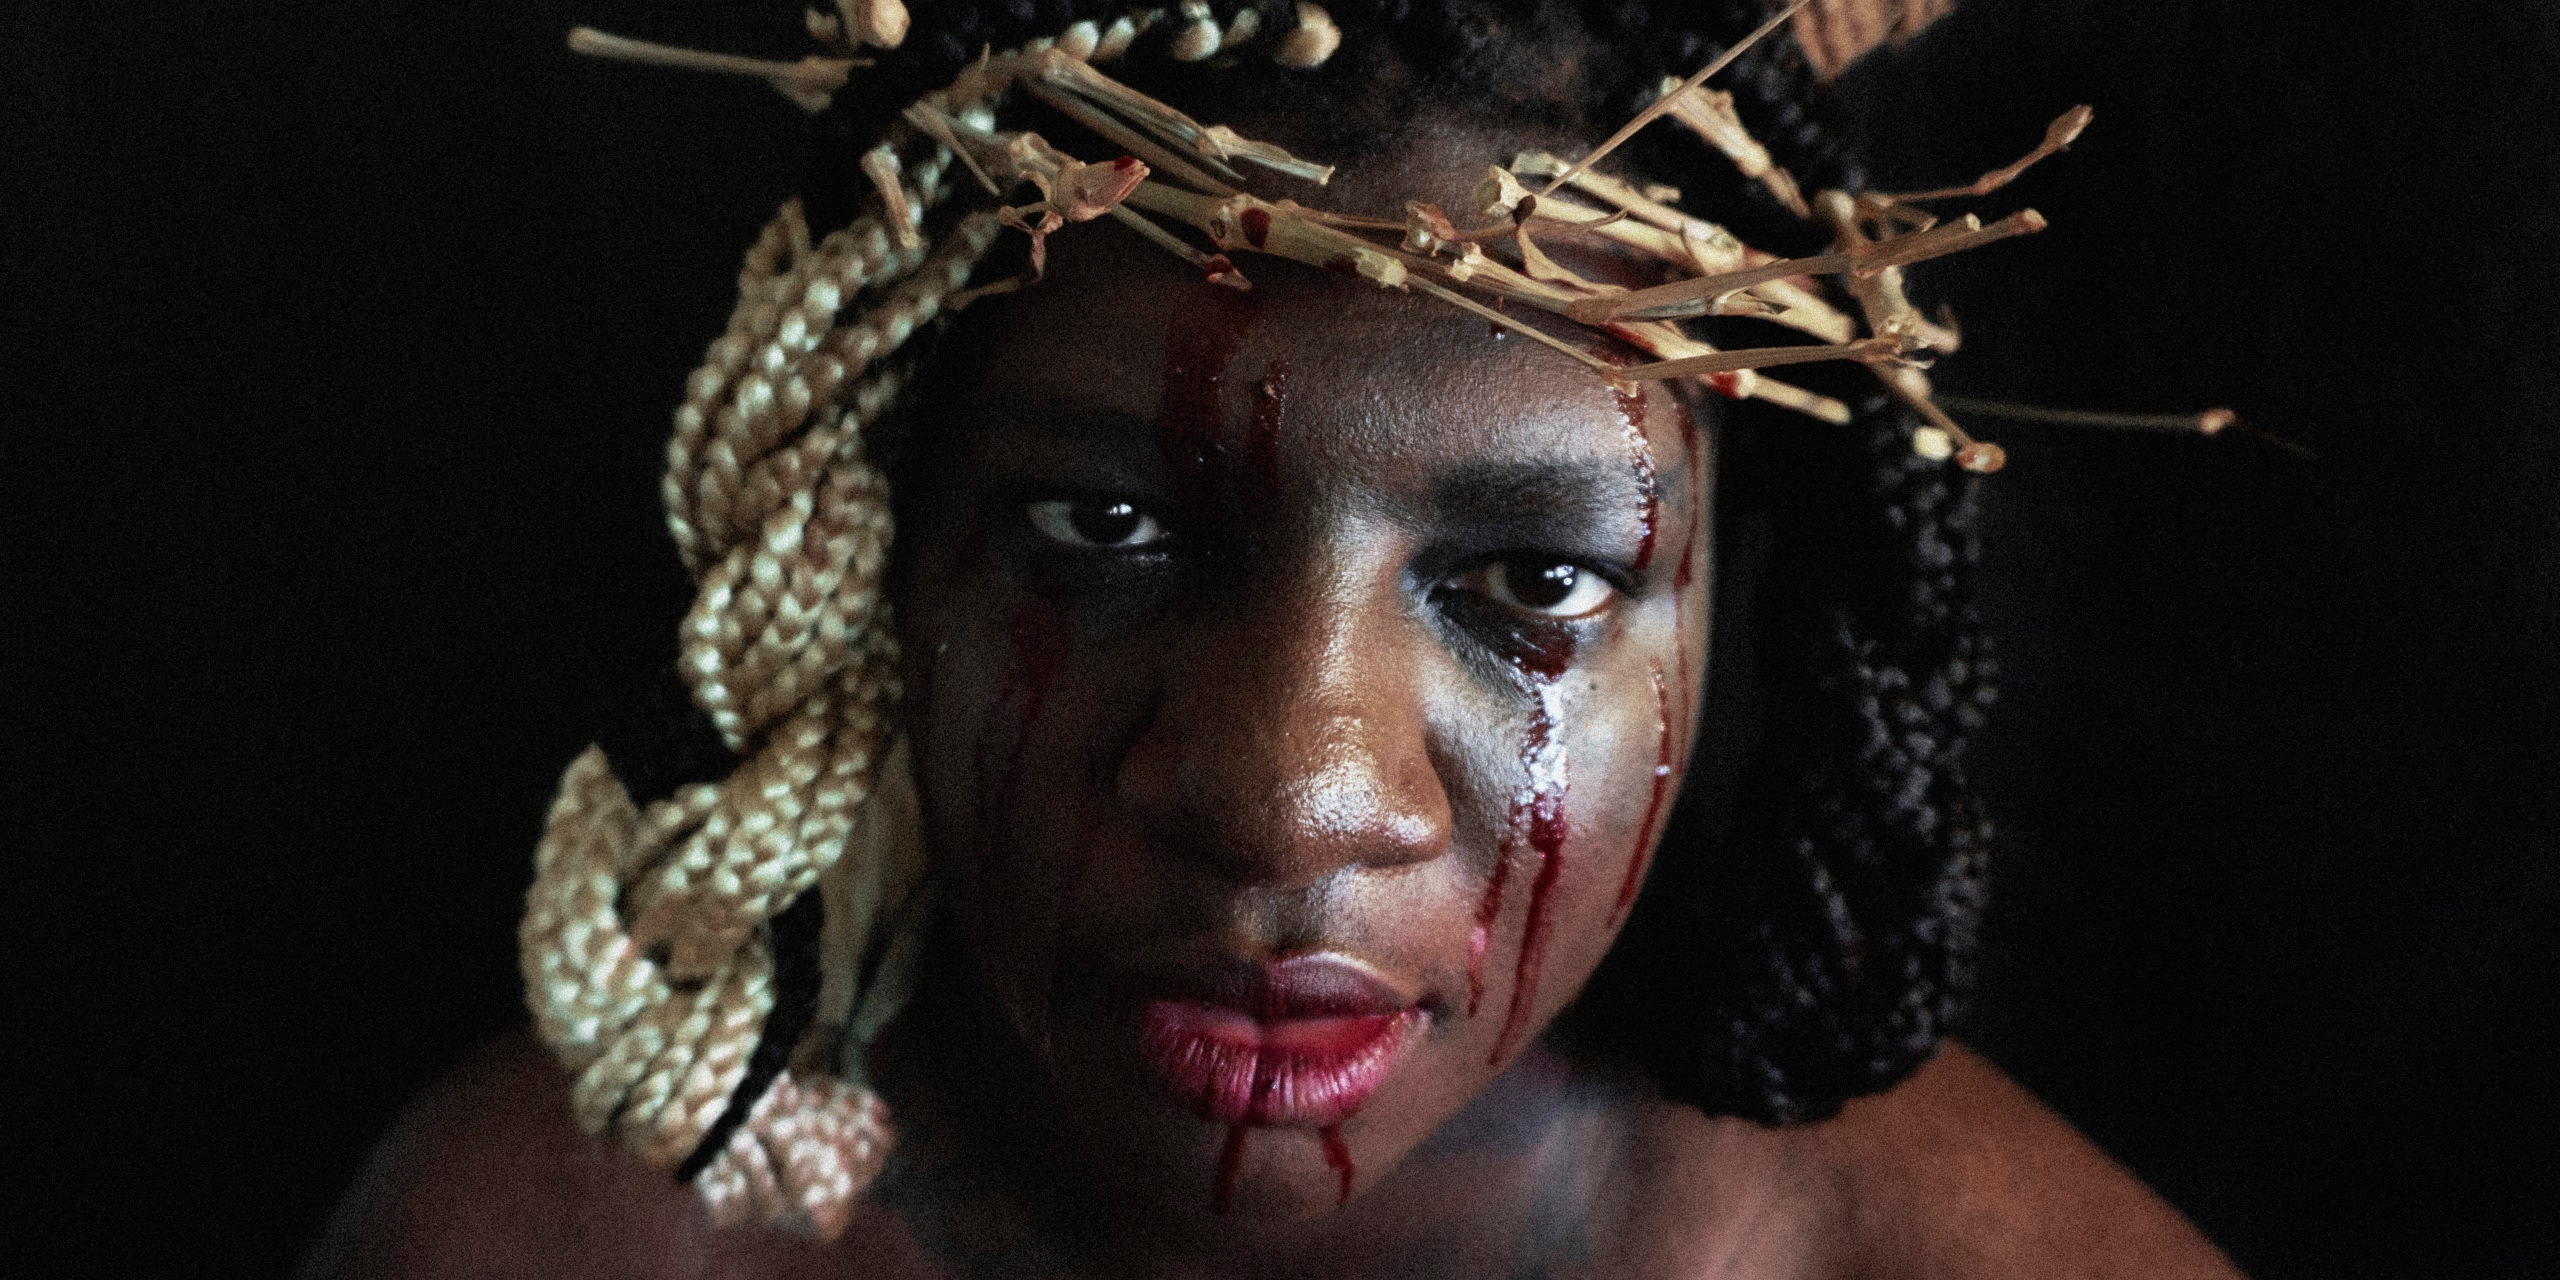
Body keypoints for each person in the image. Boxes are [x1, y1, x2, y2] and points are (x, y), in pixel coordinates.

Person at [306, 2, 2246, 1275]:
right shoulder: (545, 1242)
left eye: (1535, 581)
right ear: (872, 536)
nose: (1287, 799)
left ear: (1743, 599)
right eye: (1103, 529)